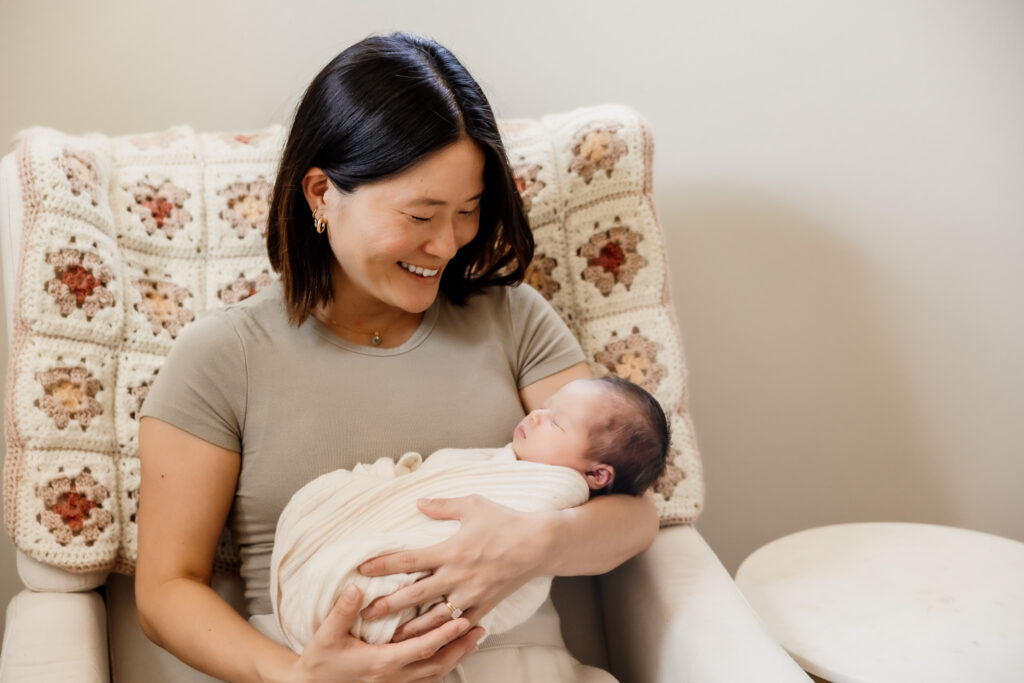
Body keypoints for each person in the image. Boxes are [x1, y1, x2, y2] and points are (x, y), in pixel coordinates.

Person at [136, 31, 659, 683]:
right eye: (421, 215)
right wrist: (296, 676)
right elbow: (165, 588)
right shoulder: (221, 357)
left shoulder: (514, 318)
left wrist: (532, 542)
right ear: (322, 193)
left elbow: (634, 514)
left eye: (467, 211)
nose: (446, 243)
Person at [270, 376, 670, 653]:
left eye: (555, 422)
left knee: (367, 586)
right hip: (292, 654)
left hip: (454, 628)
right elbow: (439, 476)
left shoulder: (556, 487)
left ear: (598, 475)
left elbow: (641, 515)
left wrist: (538, 541)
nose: (535, 416)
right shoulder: (507, 459)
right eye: (544, 408)